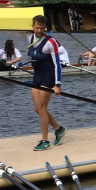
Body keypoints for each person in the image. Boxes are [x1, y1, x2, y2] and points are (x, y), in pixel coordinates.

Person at [26, 15, 66, 151]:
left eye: (42, 28)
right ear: (33, 26)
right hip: (37, 76)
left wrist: (57, 85)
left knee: (42, 108)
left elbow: (57, 64)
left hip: (49, 77)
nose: (39, 30)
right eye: (37, 27)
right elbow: (11, 30)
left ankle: (45, 140)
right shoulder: (29, 37)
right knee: (37, 109)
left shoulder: (51, 42)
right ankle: (58, 129)